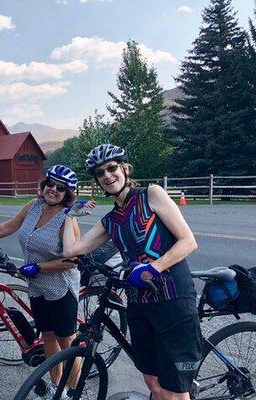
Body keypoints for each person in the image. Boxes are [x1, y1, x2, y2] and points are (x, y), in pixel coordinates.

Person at [62, 144, 202, 400]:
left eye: (112, 168)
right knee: (153, 382)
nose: (107, 175)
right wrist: (69, 217)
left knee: (175, 392)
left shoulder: (151, 194)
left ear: (125, 169)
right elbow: (71, 251)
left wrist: (153, 268)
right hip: (138, 303)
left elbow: (188, 241)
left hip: (173, 299)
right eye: (100, 173)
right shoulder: (110, 220)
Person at [0, 165, 83, 399]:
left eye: (61, 188)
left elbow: (72, 261)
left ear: (67, 193)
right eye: (50, 183)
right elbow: (8, 225)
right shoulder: (35, 205)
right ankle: (55, 389)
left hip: (60, 285)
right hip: (36, 285)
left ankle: (72, 392)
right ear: (44, 184)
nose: (53, 190)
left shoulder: (68, 218)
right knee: (47, 336)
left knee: (66, 342)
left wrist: (39, 266)